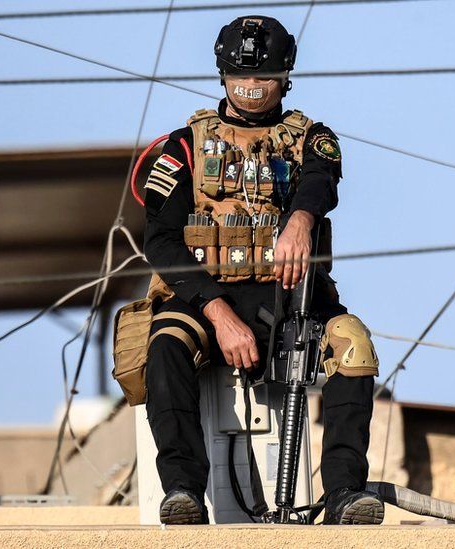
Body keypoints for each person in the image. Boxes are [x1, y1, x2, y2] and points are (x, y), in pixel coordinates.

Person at [140, 15, 382, 525]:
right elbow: (159, 240)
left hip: (286, 300)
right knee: (163, 346)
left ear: (286, 76)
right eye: (240, 77)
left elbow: (322, 179)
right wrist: (217, 311)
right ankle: (183, 492)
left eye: (264, 78)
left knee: (353, 342)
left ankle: (344, 494)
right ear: (223, 76)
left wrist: (300, 217)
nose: (251, 89)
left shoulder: (310, 138)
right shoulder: (183, 146)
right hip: (203, 301)